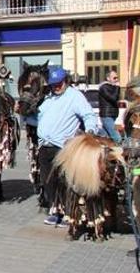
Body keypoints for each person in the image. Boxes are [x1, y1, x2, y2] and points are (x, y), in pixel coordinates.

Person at [37, 67, 99, 226]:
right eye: (53, 84)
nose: (56, 87)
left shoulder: (75, 96)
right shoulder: (49, 98)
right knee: (47, 180)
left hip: (63, 146)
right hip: (45, 146)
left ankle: (69, 213)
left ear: (66, 81)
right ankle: (56, 210)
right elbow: (39, 117)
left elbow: (88, 115)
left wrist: (90, 130)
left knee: (64, 182)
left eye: (59, 83)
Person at [98, 70, 121, 142]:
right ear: (108, 78)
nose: (116, 79)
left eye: (117, 78)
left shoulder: (112, 87)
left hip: (112, 115)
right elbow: (113, 98)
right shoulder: (104, 87)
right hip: (107, 115)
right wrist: (117, 87)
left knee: (106, 137)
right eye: (114, 78)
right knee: (117, 138)